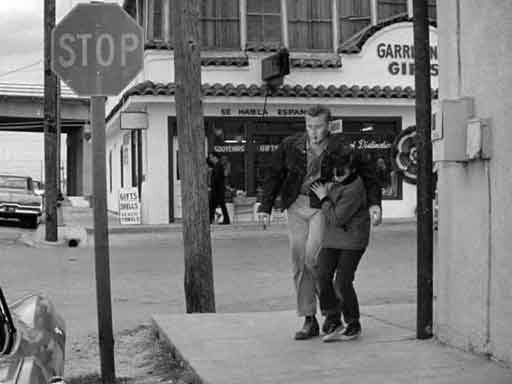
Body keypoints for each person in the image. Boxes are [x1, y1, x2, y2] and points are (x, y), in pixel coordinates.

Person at [257, 104, 382, 340]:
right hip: (296, 205)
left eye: (318, 127)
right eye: (309, 126)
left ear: (329, 126)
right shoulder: (290, 144)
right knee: (298, 263)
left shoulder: (341, 146)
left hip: (321, 206)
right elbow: (274, 173)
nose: (313, 132)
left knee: (313, 259)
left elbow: (368, 173)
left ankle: (331, 313)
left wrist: (375, 203)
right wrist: (265, 206)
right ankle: (309, 318)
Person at [310, 150, 370, 342]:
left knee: (342, 282)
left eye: (341, 172)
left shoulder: (354, 188)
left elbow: (336, 218)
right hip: (333, 239)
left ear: (352, 169)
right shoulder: (336, 179)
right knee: (321, 274)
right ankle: (333, 317)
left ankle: (353, 323)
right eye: (334, 172)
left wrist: (324, 198)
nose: (336, 176)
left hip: (352, 240)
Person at [208, 151, 230, 225]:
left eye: (211, 157)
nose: (210, 159)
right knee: (213, 205)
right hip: (218, 189)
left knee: (214, 205)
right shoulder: (217, 165)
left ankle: (224, 220)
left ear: (215, 157)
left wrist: (212, 186)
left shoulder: (218, 166)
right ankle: (211, 219)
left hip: (217, 190)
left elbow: (216, 178)